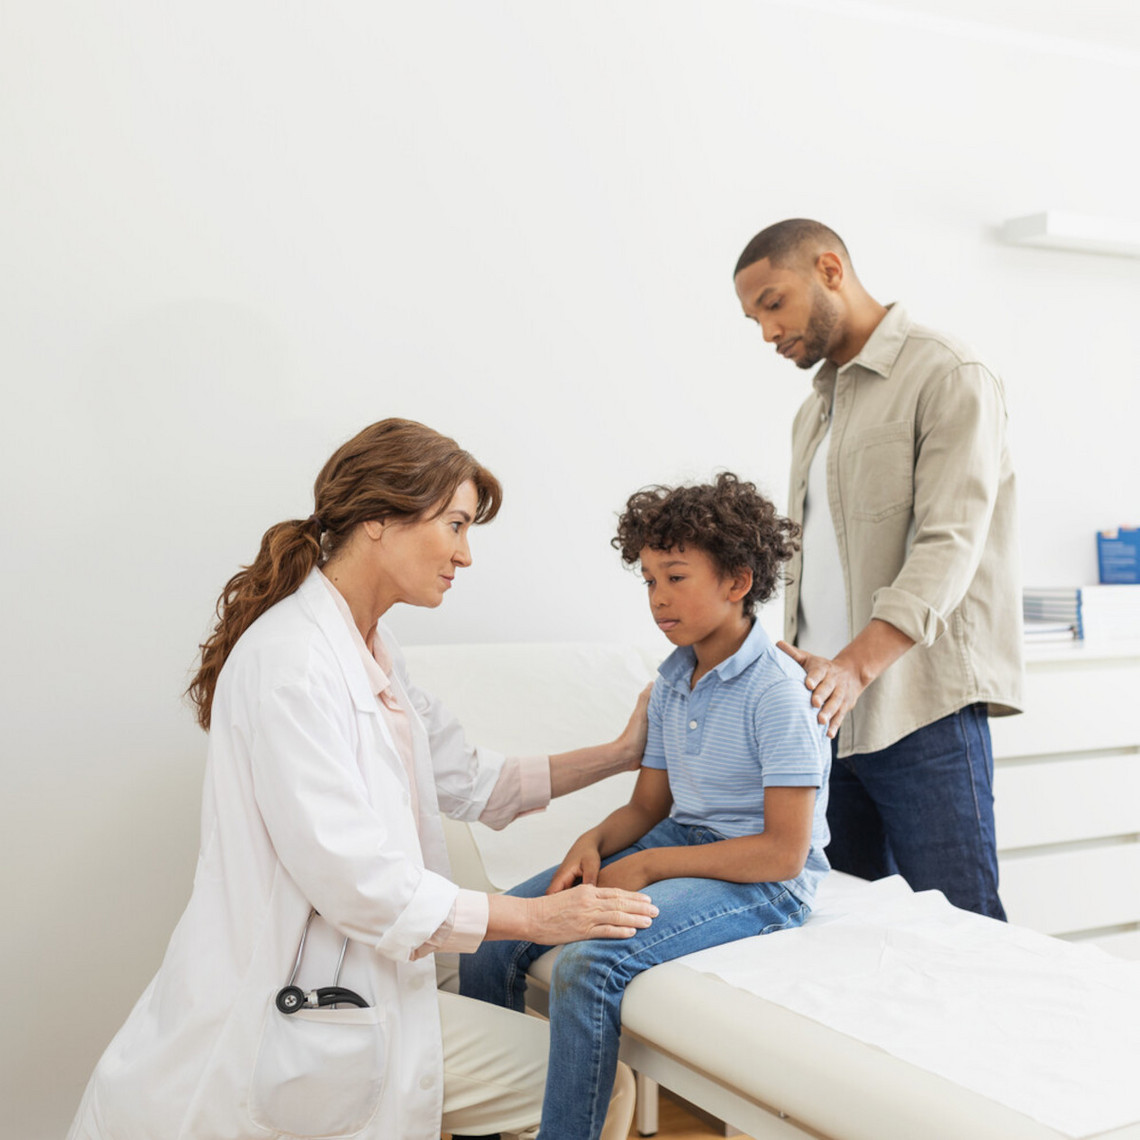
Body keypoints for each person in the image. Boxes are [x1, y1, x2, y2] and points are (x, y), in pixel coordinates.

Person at [67, 418, 659, 1140]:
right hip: (299, 1011)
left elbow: (474, 782)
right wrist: (536, 919)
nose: (466, 556)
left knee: (587, 1079)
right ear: (380, 518)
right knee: (593, 1082)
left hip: (368, 990)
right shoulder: (293, 660)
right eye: (456, 526)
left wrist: (623, 752)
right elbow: (355, 878)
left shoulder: (373, 647)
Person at [459, 472, 831, 1140]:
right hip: (687, 843)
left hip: (766, 882)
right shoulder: (672, 679)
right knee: (497, 935)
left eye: (676, 578)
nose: (659, 600)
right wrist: (598, 842)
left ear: (737, 582)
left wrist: (653, 866)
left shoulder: (779, 693)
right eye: (650, 581)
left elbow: (784, 853)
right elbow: (649, 805)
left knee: (588, 966)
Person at [732, 218, 1024, 919]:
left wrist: (856, 668)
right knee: (846, 930)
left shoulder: (949, 373)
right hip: (827, 717)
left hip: (921, 709)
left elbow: (949, 543)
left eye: (773, 303)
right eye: (753, 318)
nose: (767, 332)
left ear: (830, 269)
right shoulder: (814, 412)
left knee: (963, 930)